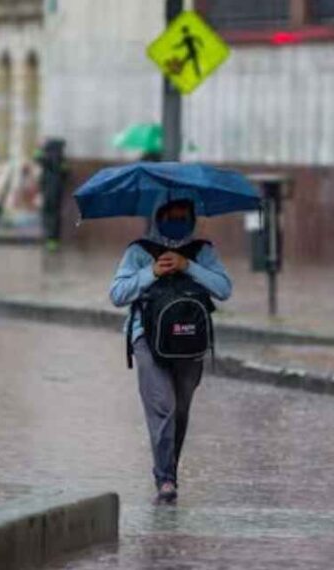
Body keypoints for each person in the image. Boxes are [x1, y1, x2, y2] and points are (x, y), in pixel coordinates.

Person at [109, 197, 232, 505]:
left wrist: (188, 266)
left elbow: (223, 288)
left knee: (179, 411)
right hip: (147, 340)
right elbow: (117, 294)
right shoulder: (138, 251)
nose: (176, 222)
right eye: (170, 216)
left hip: (190, 342)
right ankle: (165, 479)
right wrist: (151, 271)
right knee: (162, 405)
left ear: (191, 219)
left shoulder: (203, 251)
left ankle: (169, 471)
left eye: (182, 217)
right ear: (158, 216)